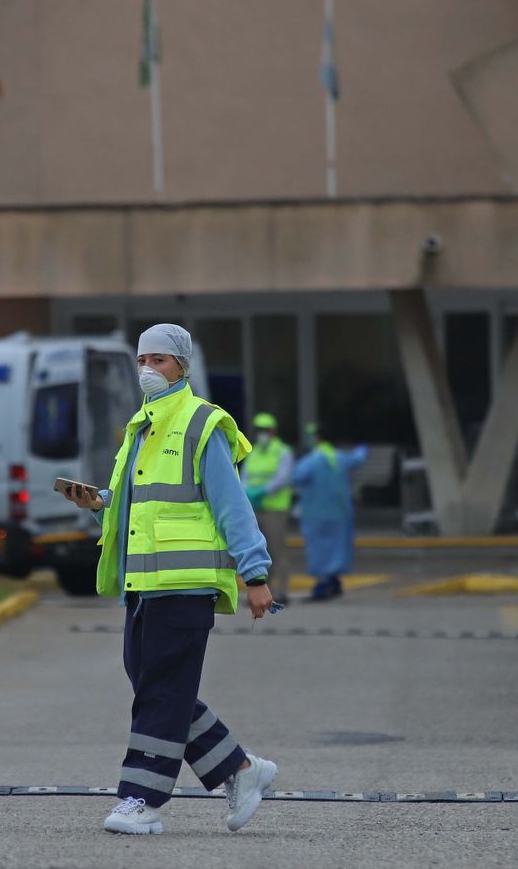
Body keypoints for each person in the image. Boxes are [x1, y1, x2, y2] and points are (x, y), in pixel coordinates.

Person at [60, 322, 279, 836]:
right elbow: (141, 509)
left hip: (186, 584)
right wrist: (100, 506)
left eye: (158, 360)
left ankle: (141, 799)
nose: (147, 370)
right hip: (142, 586)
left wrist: (256, 574)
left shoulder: (203, 423)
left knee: (160, 692)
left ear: (182, 365)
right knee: (157, 685)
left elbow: (232, 506)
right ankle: (240, 769)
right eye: (141, 361)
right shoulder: (141, 426)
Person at [292, 423, 368, 601]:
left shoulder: (311, 460)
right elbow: (358, 458)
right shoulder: (341, 458)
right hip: (340, 513)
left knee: (319, 550)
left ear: (317, 438)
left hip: (316, 513)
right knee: (338, 547)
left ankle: (323, 585)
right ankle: (334, 581)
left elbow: (296, 477)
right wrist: (363, 447)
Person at [241, 412, 294, 604]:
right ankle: (263, 592)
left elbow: (283, 477)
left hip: (274, 509)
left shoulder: (282, 451)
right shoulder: (253, 452)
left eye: (264, 429)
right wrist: (249, 493)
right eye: (258, 429)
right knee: (258, 552)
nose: (261, 433)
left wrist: (263, 491)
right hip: (255, 508)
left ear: (273, 431)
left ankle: (281, 592)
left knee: (277, 551)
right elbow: (245, 476)